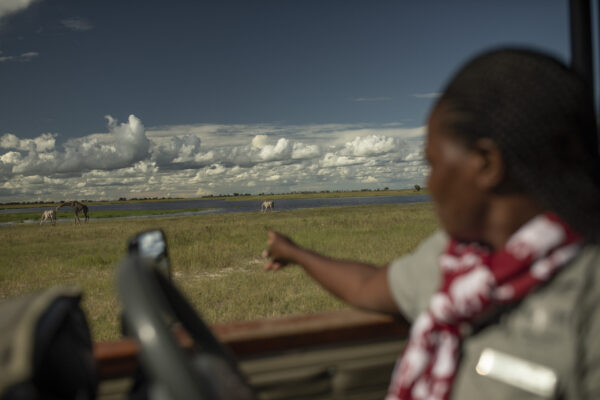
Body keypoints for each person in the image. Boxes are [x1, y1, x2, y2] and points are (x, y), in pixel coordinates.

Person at [262, 48, 600, 399]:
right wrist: (294, 252)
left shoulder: (589, 294)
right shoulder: (454, 260)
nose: (430, 183)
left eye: (433, 162)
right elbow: (365, 285)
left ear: (485, 163)